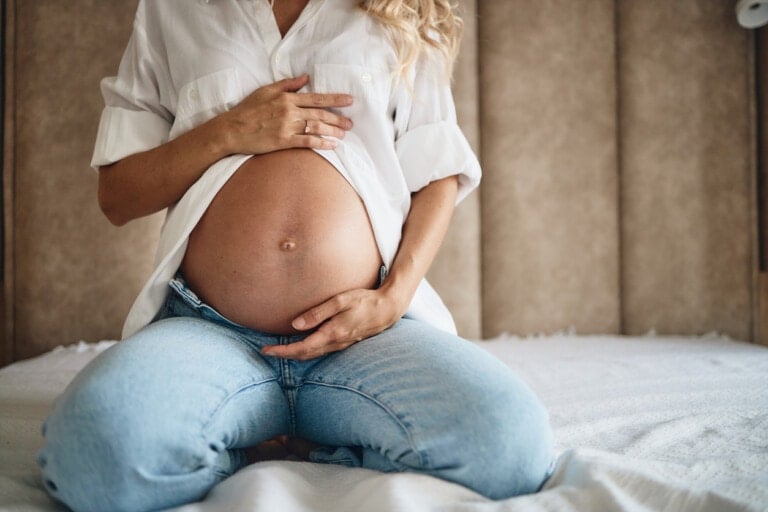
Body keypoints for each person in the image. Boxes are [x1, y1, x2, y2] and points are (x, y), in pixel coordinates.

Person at [37, 1, 554, 510]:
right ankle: (240, 446)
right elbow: (119, 195)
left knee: (510, 447)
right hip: (210, 333)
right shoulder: (172, 9)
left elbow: (437, 168)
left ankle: (321, 449)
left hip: (364, 336)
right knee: (90, 457)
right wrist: (229, 130)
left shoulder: (402, 8)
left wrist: (392, 300)